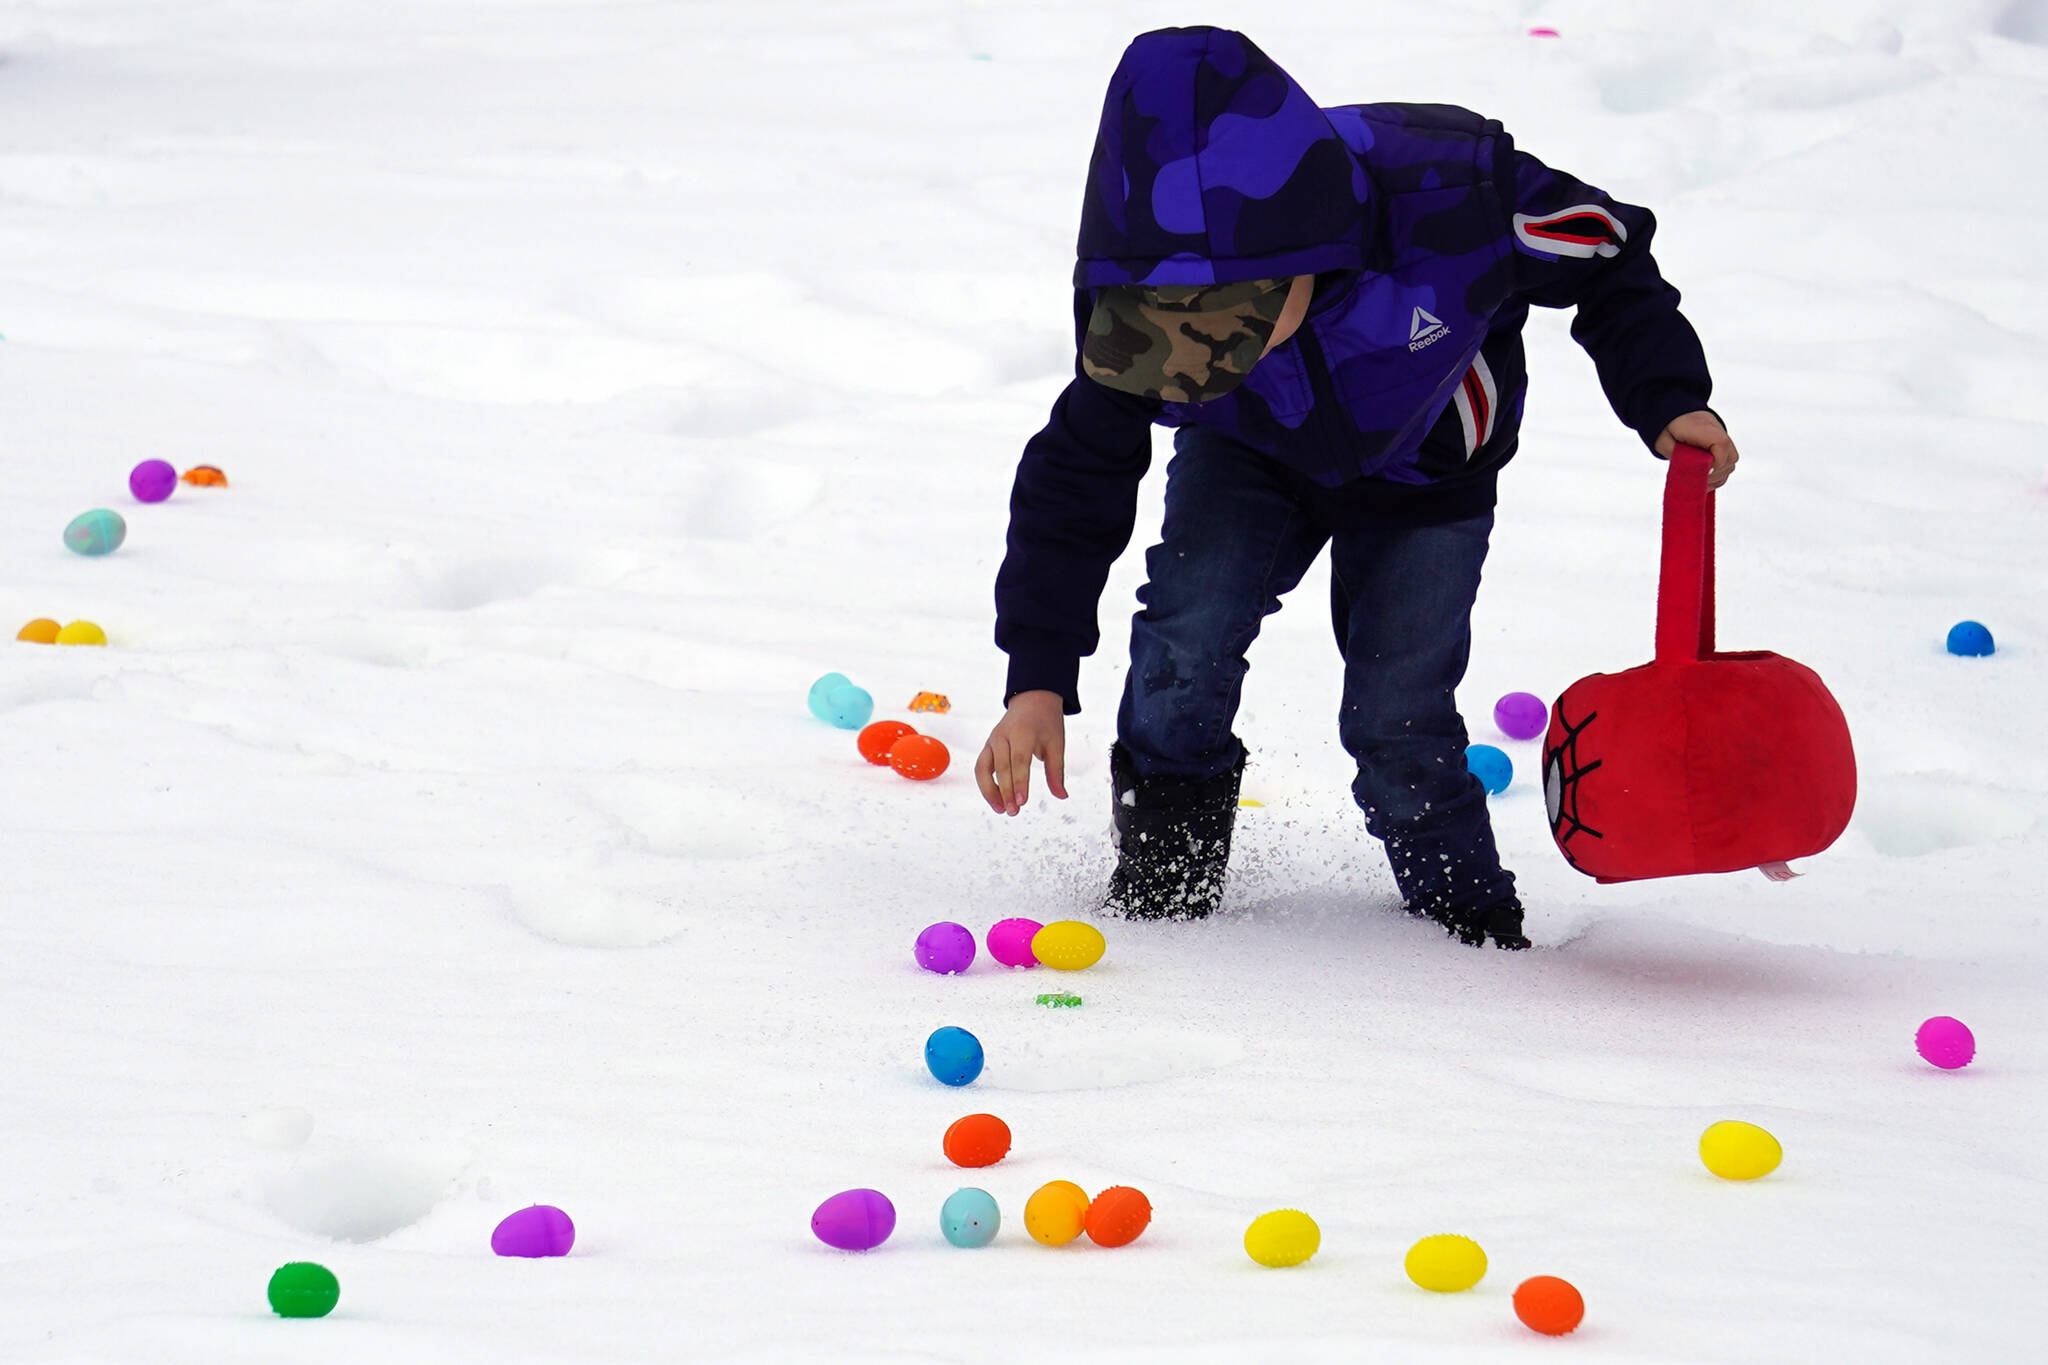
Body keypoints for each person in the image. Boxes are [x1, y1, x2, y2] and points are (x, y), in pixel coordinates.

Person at [973, 26, 1738, 949]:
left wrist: (1668, 397)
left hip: (1429, 482)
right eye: (1180, 324)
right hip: (1248, 456)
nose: (1205, 342)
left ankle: (1467, 922)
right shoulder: (1146, 306)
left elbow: (1611, 257)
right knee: (1183, 644)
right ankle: (1165, 896)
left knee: (1398, 715)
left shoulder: (1460, 197)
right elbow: (1074, 476)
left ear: (1311, 238)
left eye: (1235, 317)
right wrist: (1038, 681)